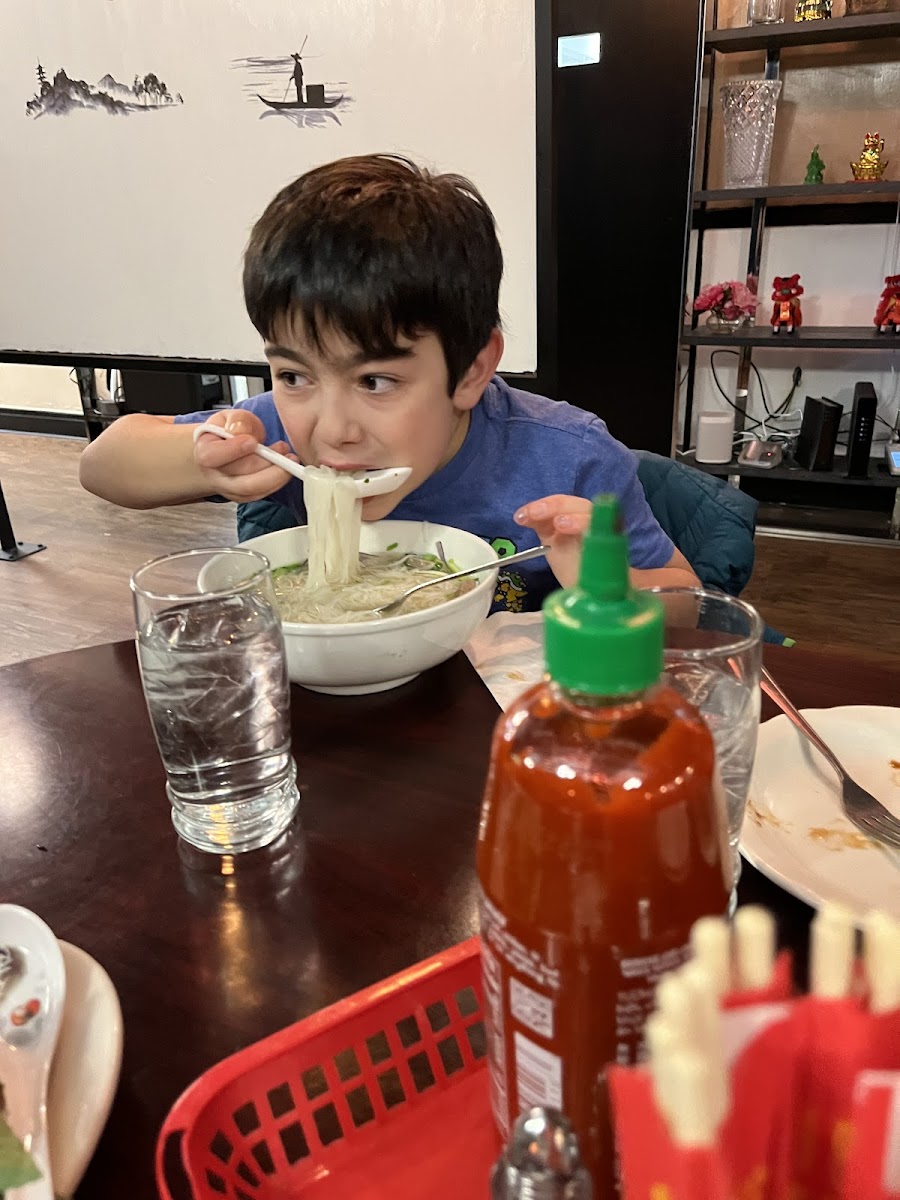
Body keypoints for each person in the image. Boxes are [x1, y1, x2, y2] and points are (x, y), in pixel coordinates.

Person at [79, 154, 698, 612]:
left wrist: (608, 590)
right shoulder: (276, 434)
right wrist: (202, 461)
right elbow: (102, 466)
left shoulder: (568, 458)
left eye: (375, 380)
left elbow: (685, 601)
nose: (332, 430)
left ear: (472, 370)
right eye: (294, 374)